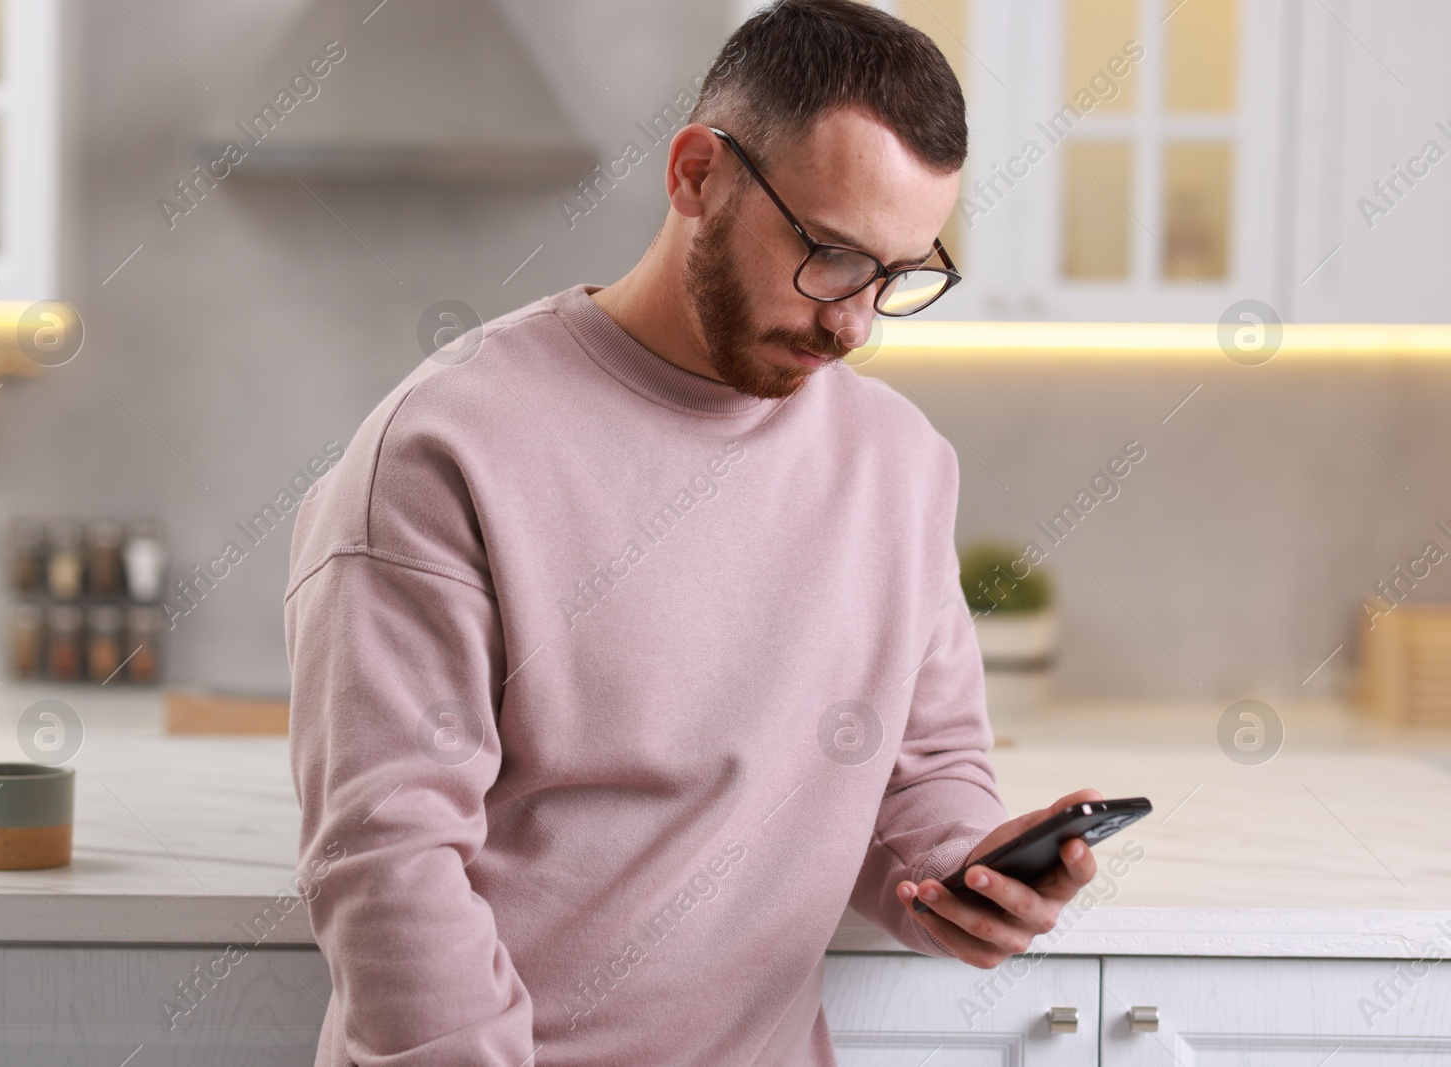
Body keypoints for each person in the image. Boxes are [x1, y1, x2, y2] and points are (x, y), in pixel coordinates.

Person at [285, 1, 1102, 1062]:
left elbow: (921, 765)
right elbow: (386, 854)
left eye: (899, 276)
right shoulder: (443, 449)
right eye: (832, 254)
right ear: (696, 175)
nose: (853, 322)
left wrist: (968, 875)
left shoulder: (899, 463)